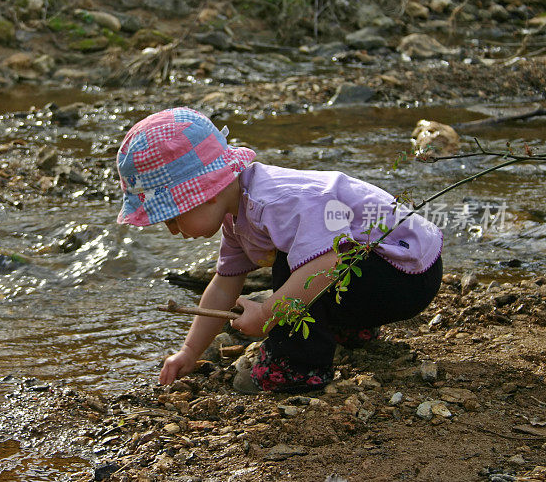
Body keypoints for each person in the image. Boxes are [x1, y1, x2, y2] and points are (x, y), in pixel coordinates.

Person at [115, 107, 443, 393]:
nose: (173, 230)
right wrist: (189, 351)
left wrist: (268, 314)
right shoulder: (237, 214)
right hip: (381, 274)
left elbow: (331, 260)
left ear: (206, 191)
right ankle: (350, 327)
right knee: (298, 261)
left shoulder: (274, 201)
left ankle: (297, 368)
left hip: (407, 275)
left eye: (172, 217)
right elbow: (224, 283)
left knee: (298, 263)